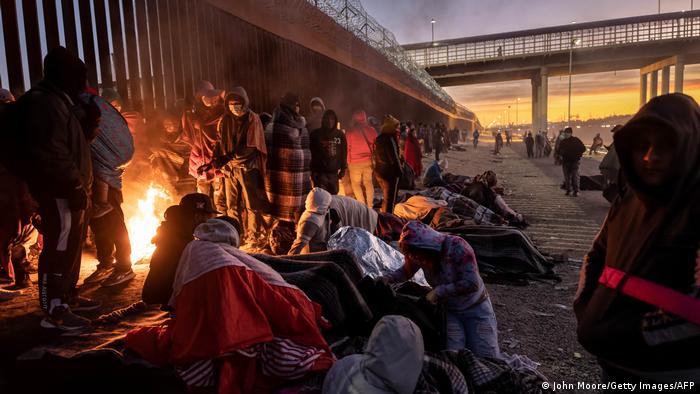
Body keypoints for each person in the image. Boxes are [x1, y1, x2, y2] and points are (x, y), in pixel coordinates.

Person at [574, 94, 700, 384]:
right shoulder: (629, 197)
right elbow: (596, 253)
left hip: (671, 374)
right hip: (613, 368)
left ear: (689, 145)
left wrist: (627, 334)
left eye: (665, 146)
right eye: (642, 145)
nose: (650, 156)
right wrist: (584, 308)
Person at [16, 47, 99, 330]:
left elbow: (69, 146)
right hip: (59, 191)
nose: (81, 84)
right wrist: (74, 183)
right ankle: (55, 309)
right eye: (78, 77)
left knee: (71, 244)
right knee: (59, 248)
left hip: (69, 188)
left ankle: (67, 295)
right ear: (64, 75)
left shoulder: (60, 102)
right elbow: (51, 151)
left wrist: (87, 128)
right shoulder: (45, 103)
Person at [382, 221, 501, 358]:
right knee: (453, 355)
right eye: (411, 255)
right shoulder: (417, 255)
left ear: (426, 248)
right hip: (451, 311)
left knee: (486, 357)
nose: (414, 259)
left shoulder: (457, 247)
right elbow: (406, 271)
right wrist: (388, 278)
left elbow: (471, 283)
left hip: (475, 308)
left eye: (416, 254)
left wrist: (438, 292)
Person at [82, 91, 136, 287]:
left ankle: (124, 267)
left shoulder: (87, 105)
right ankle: (106, 263)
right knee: (97, 223)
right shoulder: (80, 104)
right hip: (91, 175)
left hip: (106, 176)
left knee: (114, 221)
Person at [210, 87, 270, 248]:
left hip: (247, 167)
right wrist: (215, 158)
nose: (234, 106)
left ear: (244, 102)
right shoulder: (225, 120)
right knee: (231, 205)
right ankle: (236, 234)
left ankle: (253, 235)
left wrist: (228, 157)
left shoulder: (252, 119)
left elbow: (251, 145)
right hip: (230, 169)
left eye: (237, 103)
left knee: (251, 204)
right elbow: (219, 141)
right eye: (230, 104)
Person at [142, 193, 219, 308]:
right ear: (197, 216)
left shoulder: (175, 233)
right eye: (208, 216)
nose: (211, 220)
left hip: (158, 295)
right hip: (167, 298)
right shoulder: (183, 243)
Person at [266, 92, 312, 224]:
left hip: (299, 175)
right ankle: (281, 232)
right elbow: (272, 150)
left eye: (298, 105)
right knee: (282, 210)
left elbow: (304, 147)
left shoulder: (301, 124)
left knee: (298, 210)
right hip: (281, 175)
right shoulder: (275, 125)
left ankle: (295, 230)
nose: (296, 107)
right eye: (293, 104)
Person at [181, 80, 226, 212]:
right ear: (201, 99)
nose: (210, 100)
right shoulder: (194, 114)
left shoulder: (221, 112)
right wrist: (187, 111)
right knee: (201, 196)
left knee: (220, 195)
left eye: (213, 96)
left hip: (216, 155)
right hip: (199, 157)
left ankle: (220, 222)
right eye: (206, 97)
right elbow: (187, 132)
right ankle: (202, 222)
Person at [310, 109, 347, 195]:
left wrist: (343, 168)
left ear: (335, 120)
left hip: (333, 174)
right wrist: (311, 171)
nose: (330, 121)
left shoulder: (340, 135)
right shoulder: (315, 134)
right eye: (327, 119)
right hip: (319, 174)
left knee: (333, 198)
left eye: (332, 119)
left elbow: (344, 152)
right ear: (324, 120)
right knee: (321, 198)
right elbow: (311, 153)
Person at [345, 110, 377, 207]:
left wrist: (348, 161)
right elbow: (375, 146)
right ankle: (370, 205)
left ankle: (362, 205)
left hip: (354, 163)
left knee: (356, 184)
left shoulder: (350, 131)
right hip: (368, 161)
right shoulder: (372, 130)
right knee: (368, 183)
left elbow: (348, 148)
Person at [374, 116, 403, 214]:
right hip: (389, 173)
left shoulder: (379, 137)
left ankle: (384, 215)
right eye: (396, 127)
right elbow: (393, 157)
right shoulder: (390, 139)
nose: (397, 129)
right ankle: (388, 220)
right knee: (390, 200)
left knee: (386, 198)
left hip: (380, 171)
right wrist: (400, 171)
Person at [558, 127, 586, 197]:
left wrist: (577, 155)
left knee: (574, 177)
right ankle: (570, 190)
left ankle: (574, 191)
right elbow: (559, 151)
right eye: (565, 133)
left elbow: (583, 148)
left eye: (567, 133)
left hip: (573, 162)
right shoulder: (566, 141)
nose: (566, 134)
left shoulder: (571, 141)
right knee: (569, 177)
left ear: (570, 133)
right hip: (568, 161)